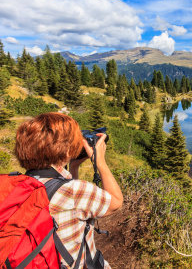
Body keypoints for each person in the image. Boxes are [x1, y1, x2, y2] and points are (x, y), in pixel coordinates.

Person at [14, 112, 123, 269]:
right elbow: (116, 202)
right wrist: (100, 162)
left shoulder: (18, 185)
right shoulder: (74, 192)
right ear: (66, 152)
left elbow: (69, 201)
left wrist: (73, 167)